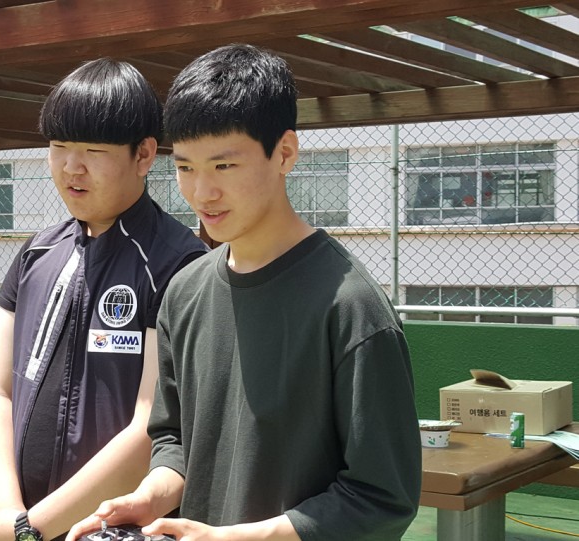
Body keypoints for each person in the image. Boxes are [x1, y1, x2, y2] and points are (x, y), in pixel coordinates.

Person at [67, 44, 421, 541]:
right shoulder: (184, 292)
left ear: (285, 153)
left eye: (224, 166)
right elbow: (174, 438)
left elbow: (382, 498)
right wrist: (149, 496)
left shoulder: (352, 308)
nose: (201, 192)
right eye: (185, 167)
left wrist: (236, 537)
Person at [0, 57, 208, 541]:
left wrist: (29, 527)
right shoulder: (36, 253)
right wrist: (8, 510)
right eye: (59, 147)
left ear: (144, 154)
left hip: (115, 529)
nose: (71, 166)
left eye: (93, 150)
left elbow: (152, 427)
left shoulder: (177, 263)